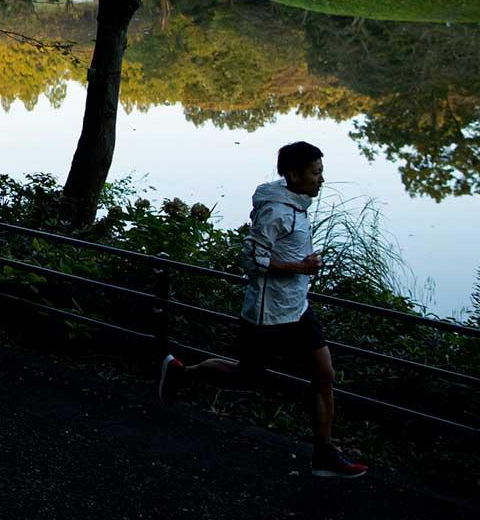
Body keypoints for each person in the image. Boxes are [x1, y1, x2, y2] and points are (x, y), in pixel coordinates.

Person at [156, 141, 368, 479]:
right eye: (315, 173)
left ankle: (324, 455)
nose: (321, 180)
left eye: (321, 172)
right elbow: (252, 260)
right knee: (246, 376)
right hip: (267, 316)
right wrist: (300, 267)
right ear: (294, 174)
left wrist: (301, 272)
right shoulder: (276, 211)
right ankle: (181, 373)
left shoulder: (297, 204)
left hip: (298, 310)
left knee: (324, 376)